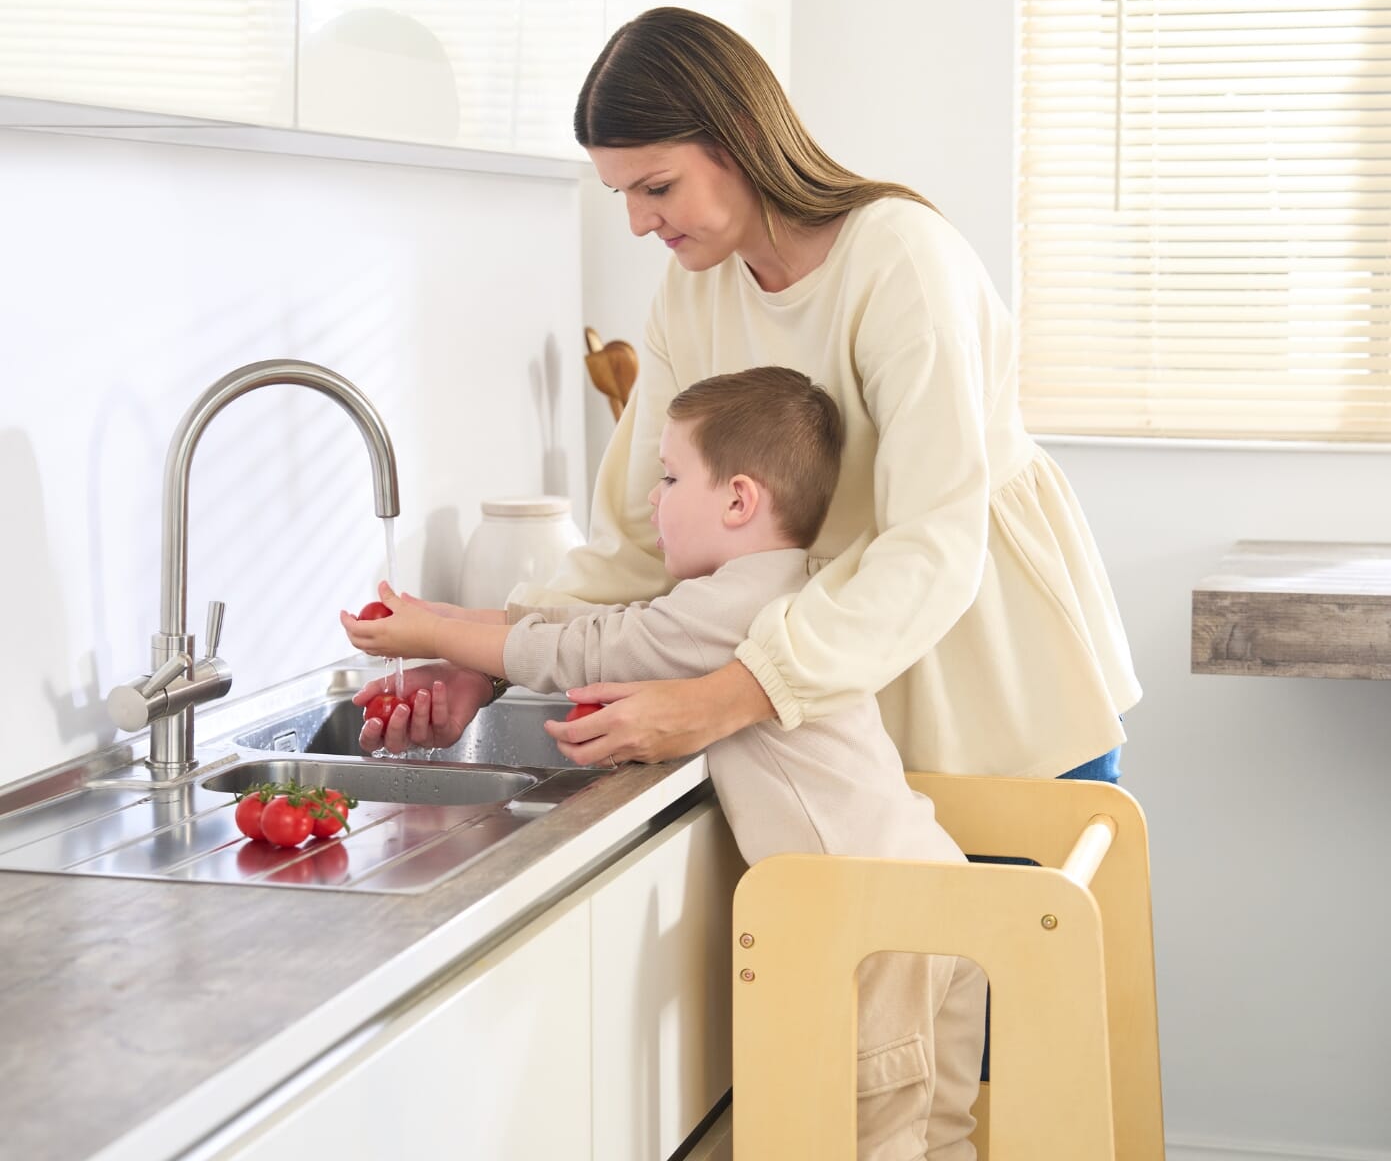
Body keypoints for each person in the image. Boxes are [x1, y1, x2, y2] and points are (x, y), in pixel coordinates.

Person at [357, 5, 1140, 791]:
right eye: (621, 193)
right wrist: (489, 668)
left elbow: (930, 547)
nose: (635, 222)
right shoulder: (692, 295)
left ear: (739, 136)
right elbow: (638, 536)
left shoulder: (898, 260)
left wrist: (723, 700)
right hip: (833, 715)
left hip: (996, 695)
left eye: (656, 186)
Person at [344, 367, 987, 1160]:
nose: (653, 499)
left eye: (670, 477)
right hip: (929, 895)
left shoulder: (726, 606)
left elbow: (592, 646)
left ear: (738, 501)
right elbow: (612, 621)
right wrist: (448, 618)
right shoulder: (773, 589)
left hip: (870, 924)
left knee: (870, 1142)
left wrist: (437, 638)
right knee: (937, 1136)